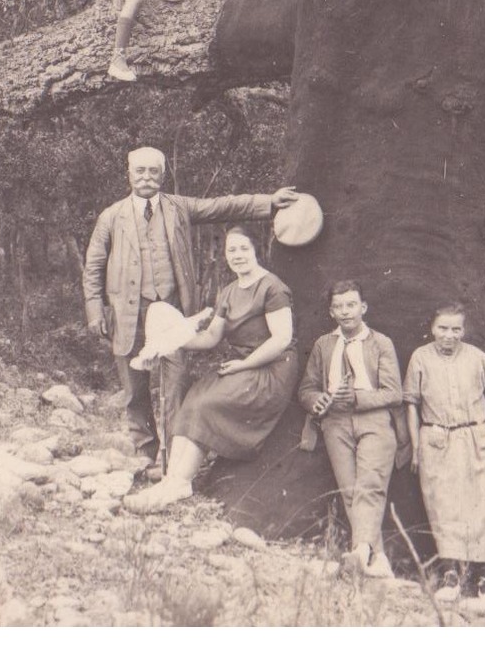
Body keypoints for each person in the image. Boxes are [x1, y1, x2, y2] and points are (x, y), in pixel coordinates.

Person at [82, 146, 299, 477]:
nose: (146, 178)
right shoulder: (112, 216)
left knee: (176, 383)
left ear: (163, 175)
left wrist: (268, 202)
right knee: (134, 387)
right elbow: (94, 265)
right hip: (128, 313)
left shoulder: (177, 208)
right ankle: (145, 450)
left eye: (153, 171)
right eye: (139, 171)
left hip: (173, 313)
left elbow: (223, 206)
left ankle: (169, 460)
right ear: (128, 174)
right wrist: (95, 310)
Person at [124, 226, 300, 512]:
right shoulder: (229, 291)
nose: (238, 255)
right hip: (242, 365)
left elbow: (281, 340)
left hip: (271, 368)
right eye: (231, 250)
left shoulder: (272, 287)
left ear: (257, 250)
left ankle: (180, 481)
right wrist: (169, 341)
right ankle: (171, 480)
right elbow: (210, 338)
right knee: (194, 397)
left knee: (208, 404)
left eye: (244, 248)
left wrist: (244, 364)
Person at [297, 280, 410, 578]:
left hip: (373, 418)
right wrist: (316, 401)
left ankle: (360, 551)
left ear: (363, 307)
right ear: (331, 311)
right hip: (334, 421)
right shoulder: (324, 344)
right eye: (338, 306)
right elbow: (306, 388)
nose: (345, 312)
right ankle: (379, 560)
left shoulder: (380, 342)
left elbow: (394, 392)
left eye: (351, 305)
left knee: (369, 485)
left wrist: (359, 398)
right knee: (350, 490)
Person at [403, 302, 485, 587]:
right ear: (432, 328)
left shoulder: (478, 357)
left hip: (476, 440)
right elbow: (412, 404)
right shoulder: (420, 358)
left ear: (464, 330)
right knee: (444, 504)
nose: (449, 335)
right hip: (437, 439)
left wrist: (481, 425)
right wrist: (416, 448)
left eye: (456, 329)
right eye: (442, 328)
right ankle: (450, 572)